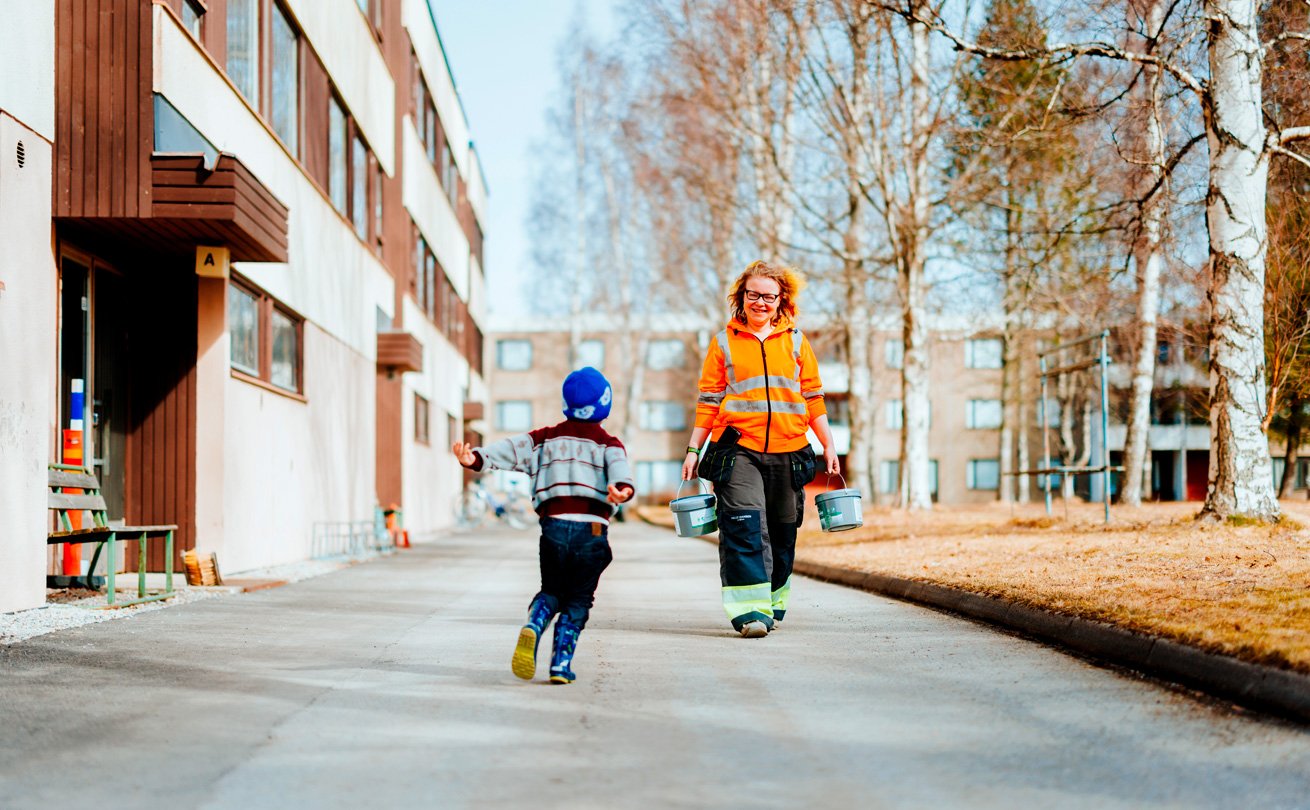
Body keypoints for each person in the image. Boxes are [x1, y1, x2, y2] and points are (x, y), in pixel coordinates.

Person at [681, 260, 839, 638]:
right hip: (738, 450)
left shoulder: (798, 342)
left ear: (782, 300)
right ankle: (749, 611)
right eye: (753, 294)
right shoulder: (723, 342)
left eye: (769, 296)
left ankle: (772, 601)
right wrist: (693, 449)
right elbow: (708, 400)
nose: (761, 302)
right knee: (744, 526)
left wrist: (828, 445)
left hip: (791, 448)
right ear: (742, 297)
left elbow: (813, 397)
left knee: (783, 530)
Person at [453, 367, 635, 683]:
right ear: (605, 403)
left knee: (551, 589)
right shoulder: (609, 444)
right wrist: (621, 489)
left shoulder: (544, 439)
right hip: (591, 529)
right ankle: (560, 665)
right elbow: (621, 473)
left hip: (552, 529)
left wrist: (475, 459)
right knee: (578, 599)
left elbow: (507, 451)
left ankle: (536, 622)